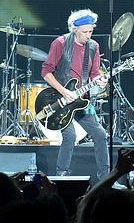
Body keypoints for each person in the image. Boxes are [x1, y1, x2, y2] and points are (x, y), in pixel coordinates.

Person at [41, 9, 110, 180]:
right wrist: (64, 91)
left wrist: (101, 80)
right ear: (74, 29)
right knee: (70, 136)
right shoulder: (60, 43)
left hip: (82, 101)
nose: (88, 35)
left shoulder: (93, 46)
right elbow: (46, 71)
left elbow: (94, 73)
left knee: (100, 135)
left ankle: (106, 178)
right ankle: (62, 175)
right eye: (85, 31)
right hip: (61, 99)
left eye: (91, 31)